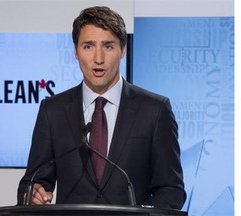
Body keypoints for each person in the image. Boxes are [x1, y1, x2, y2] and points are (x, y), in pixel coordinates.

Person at [17, 6, 186, 209]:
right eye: (88, 46)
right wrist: (34, 194)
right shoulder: (52, 110)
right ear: (76, 52)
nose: (98, 58)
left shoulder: (156, 110)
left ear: (123, 49)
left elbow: (171, 190)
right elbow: (32, 182)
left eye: (108, 46)